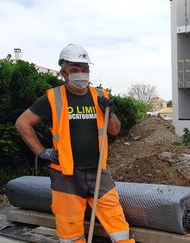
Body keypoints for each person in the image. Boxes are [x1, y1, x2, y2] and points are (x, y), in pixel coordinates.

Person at [15, 44, 134, 243]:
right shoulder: (53, 98)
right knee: (69, 230)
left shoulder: (100, 96)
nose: (81, 74)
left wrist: (109, 112)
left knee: (117, 223)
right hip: (66, 176)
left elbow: (115, 130)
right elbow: (22, 123)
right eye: (74, 70)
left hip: (98, 173)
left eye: (84, 69)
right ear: (64, 73)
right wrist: (41, 151)